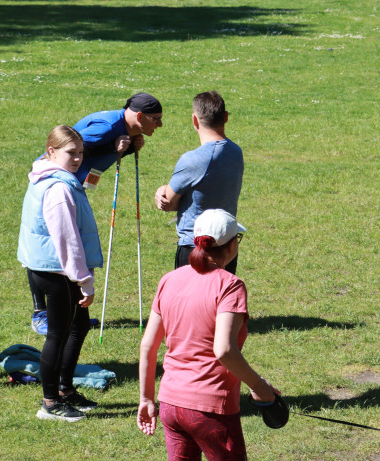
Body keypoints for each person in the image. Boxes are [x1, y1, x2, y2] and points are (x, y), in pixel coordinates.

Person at [138, 209, 280, 461]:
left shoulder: (170, 279)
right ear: (232, 246)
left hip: (171, 404)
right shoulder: (230, 285)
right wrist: (261, 388)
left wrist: (146, 398)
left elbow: (149, 347)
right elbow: (224, 350)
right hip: (212, 408)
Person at [28, 93, 163, 334]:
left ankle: (71, 313)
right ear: (140, 117)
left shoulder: (121, 128)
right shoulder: (108, 128)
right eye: (156, 119)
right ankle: (41, 314)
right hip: (54, 186)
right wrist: (114, 145)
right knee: (49, 245)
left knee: (67, 244)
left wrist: (129, 148)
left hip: (71, 185)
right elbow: (72, 150)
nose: (160, 125)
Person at [18, 125, 104, 421]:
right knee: (57, 334)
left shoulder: (48, 175)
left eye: (81, 152)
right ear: (52, 151)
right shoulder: (58, 189)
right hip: (56, 271)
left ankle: (65, 390)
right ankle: (51, 404)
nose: (78, 158)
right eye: (71, 152)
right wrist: (85, 281)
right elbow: (67, 241)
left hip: (47, 266)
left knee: (78, 326)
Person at [154, 91, 243, 273]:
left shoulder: (194, 160)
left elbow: (168, 203)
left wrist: (162, 189)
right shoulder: (236, 152)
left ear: (195, 120)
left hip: (196, 248)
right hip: (227, 246)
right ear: (225, 117)